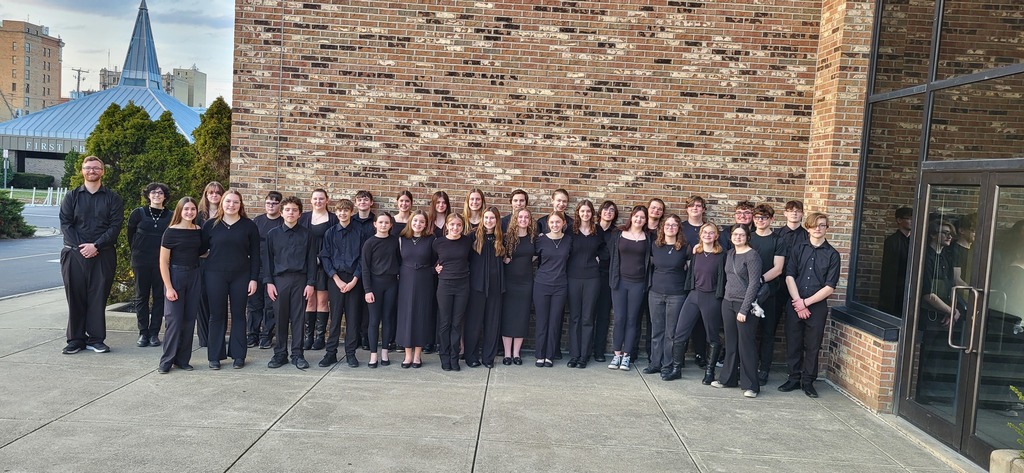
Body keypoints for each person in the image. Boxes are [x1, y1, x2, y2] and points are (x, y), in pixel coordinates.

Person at [59, 156, 124, 355]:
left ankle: (96, 339)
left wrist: (96, 245)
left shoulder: (113, 198)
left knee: (98, 297)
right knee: (75, 297)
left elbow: (115, 226)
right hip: (74, 254)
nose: (92, 171)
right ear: (82, 171)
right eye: (88, 168)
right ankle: (75, 340)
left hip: (103, 254)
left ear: (102, 171)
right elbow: (65, 223)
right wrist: (82, 247)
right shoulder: (72, 196)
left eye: (96, 168)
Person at [778, 212, 841, 398]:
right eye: (814, 225)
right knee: (793, 342)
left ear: (827, 228)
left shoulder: (832, 255)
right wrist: (798, 302)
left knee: (813, 345)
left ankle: (808, 382)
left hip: (816, 305)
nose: (818, 228)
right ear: (808, 227)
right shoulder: (798, 249)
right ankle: (793, 378)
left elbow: (830, 287)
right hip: (795, 301)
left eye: (822, 225)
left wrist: (806, 303)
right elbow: (789, 276)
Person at [202, 189, 261, 369]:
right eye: (228, 201)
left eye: (235, 202)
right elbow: (200, 250)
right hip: (215, 275)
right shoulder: (210, 225)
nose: (231, 205)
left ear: (240, 205)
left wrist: (253, 279)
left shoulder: (249, 226)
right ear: (222, 203)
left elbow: (256, 255)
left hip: (241, 276)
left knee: (238, 315)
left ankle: (238, 355)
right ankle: (214, 356)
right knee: (217, 315)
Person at [667, 223, 726, 384]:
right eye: (705, 232)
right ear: (700, 235)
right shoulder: (696, 253)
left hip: (712, 297)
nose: (707, 235)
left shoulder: (721, 255)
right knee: (680, 332)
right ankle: (676, 368)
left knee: (712, 336)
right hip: (694, 296)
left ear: (716, 236)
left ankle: (709, 372)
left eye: (711, 233)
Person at [264, 197, 318, 370]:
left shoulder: (307, 234)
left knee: (298, 318)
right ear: (281, 212)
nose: (291, 213)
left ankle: (298, 354)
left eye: (294, 210)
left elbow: (311, 261)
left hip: (300, 280)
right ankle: (280, 354)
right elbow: (267, 262)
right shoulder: (273, 234)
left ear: (300, 214)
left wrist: (311, 283)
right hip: (279, 281)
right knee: (280, 317)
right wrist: (269, 282)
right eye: (287, 209)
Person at [913, 219, 962, 405]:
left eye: (950, 233)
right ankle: (922, 392)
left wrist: (952, 310)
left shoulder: (946, 256)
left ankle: (935, 390)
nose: (949, 236)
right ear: (933, 235)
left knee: (939, 354)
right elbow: (927, 294)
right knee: (926, 353)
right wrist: (952, 311)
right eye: (944, 233)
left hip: (945, 313)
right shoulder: (926, 257)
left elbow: (951, 285)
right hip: (930, 314)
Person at [713, 225, 763, 398]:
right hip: (728, 302)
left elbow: (754, 284)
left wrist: (744, 308)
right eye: (735, 234)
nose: (738, 237)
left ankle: (751, 385)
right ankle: (727, 379)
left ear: (748, 237)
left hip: (744, 305)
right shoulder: (730, 254)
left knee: (746, 344)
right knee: (731, 342)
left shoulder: (752, 255)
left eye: (742, 235)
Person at [157, 197, 203, 373]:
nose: (190, 212)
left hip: (194, 275)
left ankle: (183, 360)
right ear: (179, 211)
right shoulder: (170, 232)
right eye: (186, 209)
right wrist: (168, 287)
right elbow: (163, 262)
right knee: (174, 321)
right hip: (176, 276)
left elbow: (201, 252)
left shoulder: (198, 230)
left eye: (192, 209)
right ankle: (166, 361)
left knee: (189, 320)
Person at [319, 199, 367, 368]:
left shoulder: (360, 232)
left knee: (353, 319)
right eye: (340, 211)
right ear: (337, 212)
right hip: (336, 279)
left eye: (346, 210)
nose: (343, 213)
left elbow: (363, 258)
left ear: (351, 212)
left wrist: (355, 280)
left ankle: (351, 354)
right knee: (335, 318)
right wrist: (336, 279)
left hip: (354, 279)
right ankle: (330, 353)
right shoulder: (330, 233)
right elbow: (325, 257)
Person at [127, 182, 171, 348]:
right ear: (148, 195)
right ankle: (143, 332)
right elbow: (130, 235)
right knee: (141, 296)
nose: (157, 195)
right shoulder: (138, 213)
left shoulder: (170, 215)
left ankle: (154, 333)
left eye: (160, 193)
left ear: (165, 196)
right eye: (153, 193)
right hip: (141, 260)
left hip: (162, 262)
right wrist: (137, 252)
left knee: (159, 297)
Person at [607, 205, 650, 371]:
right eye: (636, 216)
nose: (638, 219)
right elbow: (609, 254)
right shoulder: (618, 234)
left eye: (642, 217)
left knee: (632, 320)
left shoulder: (648, 237)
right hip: (619, 283)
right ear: (631, 217)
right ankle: (616, 354)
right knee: (619, 319)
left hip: (638, 284)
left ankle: (627, 355)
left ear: (645, 220)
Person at [647, 214, 688, 378]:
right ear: (662, 228)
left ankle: (667, 365)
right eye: (667, 225)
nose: (670, 228)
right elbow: (649, 266)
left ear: (678, 228)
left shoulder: (685, 247)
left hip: (676, 295)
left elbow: (690, 269)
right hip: (655, 293)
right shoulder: (655, 246)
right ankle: (655, 363)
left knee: (671, 333)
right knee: (656, 331)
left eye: (674, 225)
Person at [749, 203, 786, 386]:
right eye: (757, 217)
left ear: (771, 219)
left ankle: (764, 370)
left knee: (767, 333)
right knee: (748, 332)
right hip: (747, 293)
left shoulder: (778, 240)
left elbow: (778, 268)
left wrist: (759, 280)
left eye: (764, 218)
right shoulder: (749, 238)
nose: (760, 221)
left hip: (769, 293)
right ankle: (748, 368)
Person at [298, 189, 339, 351]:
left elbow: (335, 243)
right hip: (306, 265)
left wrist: (322, 258)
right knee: (309, 300)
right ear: (311, 200)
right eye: (315, 198)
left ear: (327, 200)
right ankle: (309, 336)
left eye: (321, 199)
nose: (318, 201)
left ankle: (320, 337)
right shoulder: (304, 218)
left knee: (322, 300)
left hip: (324, 265)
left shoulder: (333, 219)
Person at [433, 213, 474, 371]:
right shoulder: (438, 243)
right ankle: (444, 356)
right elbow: (430, 261)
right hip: (445, 285)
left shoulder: (466, 242)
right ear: (447, 226)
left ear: (462, 227)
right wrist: (434, 268)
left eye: (459, 225)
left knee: (457, 323)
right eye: (452, 225)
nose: (455, 228)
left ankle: (454, 357)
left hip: (462, 285)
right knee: (445, 323)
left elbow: (471, 259)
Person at [466, 207, 505, 368]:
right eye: (486, 218)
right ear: (482, 219)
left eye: (492, 218)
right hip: (477, 285)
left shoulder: (501, 238)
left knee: (492, 323)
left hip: (496, 287)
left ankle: (488, 357)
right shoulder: (473, 236)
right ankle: (471, 356)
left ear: (497, 220)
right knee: (474, 323)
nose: (489, 221)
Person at [567, 200, 603, 369]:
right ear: (578, 213)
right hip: (573, 277)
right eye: (582, 211)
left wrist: (599, 258)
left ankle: (584, 356)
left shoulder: (598, 231)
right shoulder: (570, 230)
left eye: (588, 211)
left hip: (592, 278)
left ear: (592, 213)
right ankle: (574, 355)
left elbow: (606, 250)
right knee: (575, 317)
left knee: (588, 318)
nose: (585, 214)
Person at [397, 210, 436, 368]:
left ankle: (418, 356)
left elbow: (437, 259)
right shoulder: (401, 239)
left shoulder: (431, 239)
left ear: (426, 224)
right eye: (415, 221)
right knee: (406, 315)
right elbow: (396, 259)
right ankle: (407, 355)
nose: (418, 224)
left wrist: (434, 269)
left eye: (421, 221)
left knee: (421, 315)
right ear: (410, 222)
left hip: (424, 279)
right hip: (406, 279)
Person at [362, 212, 401, 368]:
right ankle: (373, 354)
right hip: (375, 285)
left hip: (391, 284)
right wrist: (367, 290)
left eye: (387, 223)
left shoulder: (394, 242)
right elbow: (365, 268)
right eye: (381, 222)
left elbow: (399, 260)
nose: (384, 225)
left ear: (391, 225)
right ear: (375, 224)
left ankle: (385, 351)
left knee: (388, 319)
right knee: (374, 320)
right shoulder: (369, 243)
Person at [533, 211, 572, 368]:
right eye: (552, 222)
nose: (555, 225)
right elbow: (530, 257)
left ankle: (549, 355)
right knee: (542, 321)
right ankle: (540, 354)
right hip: (542, 284)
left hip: (560, 286)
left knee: (555, 321)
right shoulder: (540, 240)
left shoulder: (569, 240)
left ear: (563, 223)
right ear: (548, 224)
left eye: (558, 222)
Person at [248, 191, 283, 349]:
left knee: (270, 305)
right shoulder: (257, 221)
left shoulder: (283, 222)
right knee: (254, 304)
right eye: (269, 203)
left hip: (275, 271)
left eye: (275, 203)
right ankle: (252, 335)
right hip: (257, 268)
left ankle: (266, 336)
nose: (271, 206)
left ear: (280, 205)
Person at [501, 208, 536, 366]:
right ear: (515, 219)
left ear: (530, 220)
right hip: (509, 282)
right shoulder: (507, 238)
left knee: (522, 316)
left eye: (526, 217)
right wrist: (504, 258)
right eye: (520, 217)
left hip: (526, 282)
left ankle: (516, 353)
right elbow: (499, 255)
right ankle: (507, 353)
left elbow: (537, 255)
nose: (523, 219)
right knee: (508, 316)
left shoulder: (534, 238)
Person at [679, 195, 710, 369]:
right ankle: (679, 355)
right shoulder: (681, 228)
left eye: (699, 206)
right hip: (681, 279)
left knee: (700, 320)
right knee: (681, 319)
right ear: (687, 209)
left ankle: (700, 354)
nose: (695, 208)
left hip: (701, 282)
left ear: (703, 209)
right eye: (692, 206)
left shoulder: (708, 229)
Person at [195, 181, 225, 348]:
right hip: (202, 262)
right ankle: (204, 338)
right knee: (202, 299)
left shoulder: (226, 214)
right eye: (211, 192)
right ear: (206, 195)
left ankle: (216, 336)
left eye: (217, 192)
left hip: (220, 263)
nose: (214, 195)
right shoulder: (198, 215)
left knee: (216, 300)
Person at [592, 200, 618, 363]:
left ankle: (599, 351)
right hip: (589, 275)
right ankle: (583, 350)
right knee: (586, 315)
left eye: (612, 210)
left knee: (603, 315)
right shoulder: (592, 229)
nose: (608, 212)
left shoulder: (616, 233)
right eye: (606, 209)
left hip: (607, 277)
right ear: (600, 212)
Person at [879, 207, 913, 316]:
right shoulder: (892, 241)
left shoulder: (916, 241)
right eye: (909, 218)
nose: (913, 221)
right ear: (899, 220)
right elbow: (889, 271)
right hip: (896, 290)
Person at [951, 213, 976, 285]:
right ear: (961, 230)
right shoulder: (955, 250)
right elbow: (956, 279)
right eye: (973, 230)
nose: (977, 233)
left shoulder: (976, 251)